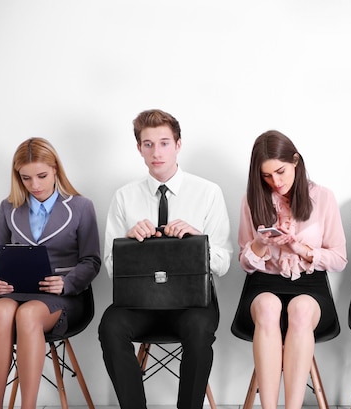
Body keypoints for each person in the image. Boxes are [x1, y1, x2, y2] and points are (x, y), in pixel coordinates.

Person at [98, 109, 232, 409]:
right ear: (138, 148)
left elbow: (223, 262)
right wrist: (128, 244)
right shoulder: (124, 197)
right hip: (140, 302)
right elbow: (110, 267)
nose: (156, 152)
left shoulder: (208, 192)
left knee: (198, 330)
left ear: (178, 144)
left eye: (164, 143)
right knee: (110, 325)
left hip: (192, 303)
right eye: (148, 144)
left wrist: (197, 240)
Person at [0, 137, 101, 409]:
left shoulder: (81, 207)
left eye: (42, 176)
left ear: (55, 169)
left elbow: (92, 260)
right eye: (26, 178)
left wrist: (67, 283)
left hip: (63, 296)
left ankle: (28, 407)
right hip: (17, 289)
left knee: (29, 313)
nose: (35, 185)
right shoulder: (8, 207)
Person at [234, 130, 347, 409]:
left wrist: (302, 250)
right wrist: (260, 244)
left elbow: (339, 259)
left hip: (310, 285)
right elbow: (245, 263)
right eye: (267, 176)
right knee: (270, 307)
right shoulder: (252, 199)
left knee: (301, 310)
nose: (276, 182)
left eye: (281, 172)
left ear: (295, 160)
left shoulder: (323, 197)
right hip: (263, 284)